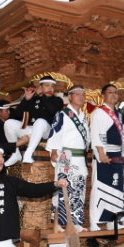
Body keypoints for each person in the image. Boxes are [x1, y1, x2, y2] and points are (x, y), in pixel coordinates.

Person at [46, 85, 89, 231]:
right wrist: (53, 150)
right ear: (70, 96)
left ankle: (76, 222)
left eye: (83, 94)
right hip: (65, 155)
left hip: (80, 157)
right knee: (63, 187)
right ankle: (58, 222)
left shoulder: (83, 116)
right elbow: (55, 132)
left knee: (78, 189)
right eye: (77, 94)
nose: (81, 97)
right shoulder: (62, 114)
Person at [89, 83, 124, 231]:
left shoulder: (119, 114)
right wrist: (101, 153)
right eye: (110, 92)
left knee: (115, 188)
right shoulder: (99, 113)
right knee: (100, 187)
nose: (113, 95)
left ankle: (112, 220)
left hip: (118, 154)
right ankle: (94, 222)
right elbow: (96, 134)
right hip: (105, 154)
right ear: (103, 95)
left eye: (116, 93)